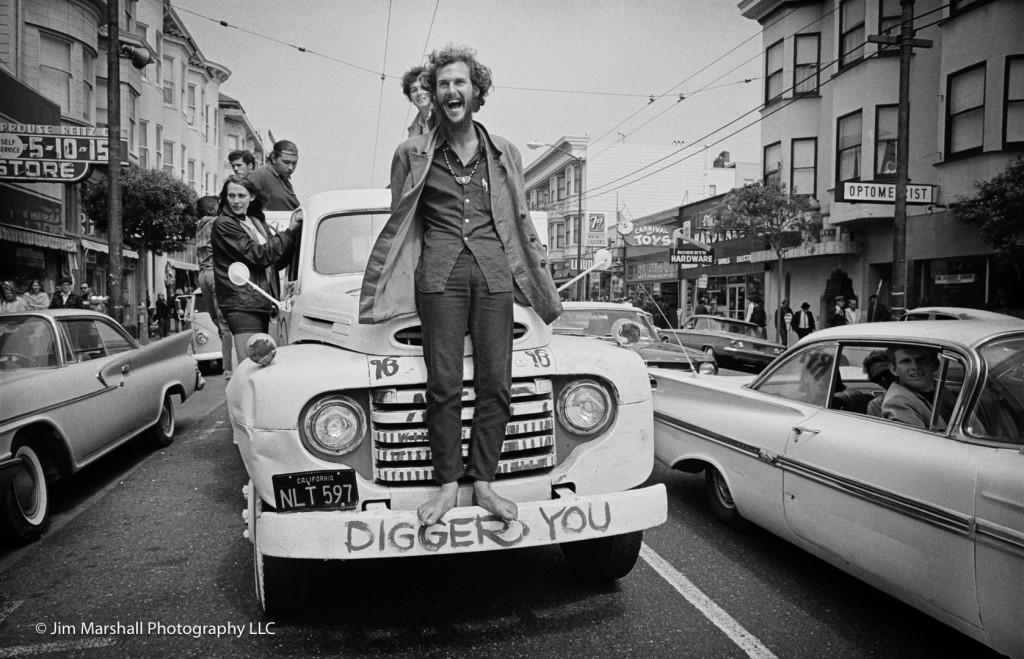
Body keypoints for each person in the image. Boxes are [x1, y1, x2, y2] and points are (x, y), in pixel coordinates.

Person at [359, 45, 562, 528]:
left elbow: (518, 216)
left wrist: (537, 267)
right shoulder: (411, 153)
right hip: (439, 278)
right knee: (444, 384)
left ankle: (485, 482)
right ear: (433, 95)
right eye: (443, 84)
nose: (452, 91)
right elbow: (402, 219)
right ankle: (448, 485)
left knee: (497, 383)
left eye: (461, 83)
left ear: (477, 92)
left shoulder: (505, 151)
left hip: (495, 275)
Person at [211, 175, 300, 367]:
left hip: (261, 301)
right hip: (241, 303)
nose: (236, 201)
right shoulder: (224, 224)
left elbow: (275, 261)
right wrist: (290, 231)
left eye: (241, 195)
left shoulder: (255, 221)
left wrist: (293, 239)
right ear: (225, 197)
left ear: (251, 197)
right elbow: (260, 256)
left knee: (263, 364)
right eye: (231, 195)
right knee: (251, 364)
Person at [195, 195, 234, 378]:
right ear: (211, 210)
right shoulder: (216, 223)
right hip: (215, 273)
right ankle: (229, 366)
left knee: (217, 321)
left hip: (202, 275)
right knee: (225, 320)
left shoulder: (200, 225)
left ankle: (228, 356)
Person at [881, 346, 942, 429]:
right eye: (906, 361)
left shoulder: (940, 388)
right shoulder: (898, 402)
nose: (915, 366)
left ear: (935, 364)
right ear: (894, 369)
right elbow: (919, 440)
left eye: (921, 359)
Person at [247, 140, 300, 211]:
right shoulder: (261, 175)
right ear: (274, 158)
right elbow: (241, 200)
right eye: (286, 162)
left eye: (294, 163)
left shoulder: (283, 179)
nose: (290, 167)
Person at [402, 65, 438, 138]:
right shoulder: (413, 130)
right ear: (410, 96)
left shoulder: (445, 116)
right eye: (414, 90)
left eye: (423, 87)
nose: (419, 93)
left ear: (432, 89)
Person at [862, 350, 896, 417]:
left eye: (887, 373)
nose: (884, 380)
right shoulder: (877, 406)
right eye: (877, 379)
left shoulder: (919, 391)